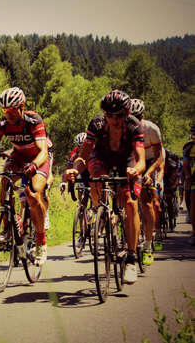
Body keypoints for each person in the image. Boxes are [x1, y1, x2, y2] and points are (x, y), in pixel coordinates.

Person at [64, 90, 145, 284]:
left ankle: (132, 258)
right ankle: (101, 210)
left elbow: (141, 160)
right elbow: (83, 155)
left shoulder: (134, 126)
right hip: (102, 158)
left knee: (130, 202)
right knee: (96, 176)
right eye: (109, 115)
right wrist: (74, 170)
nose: (113, 119)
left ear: (126, 114)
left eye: (118, 116)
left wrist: (136, 171)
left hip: (126, 159)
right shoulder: (97, 124)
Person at [0, 87, 50, 266]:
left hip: (38, 157)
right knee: (4, 181)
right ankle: (7, 227)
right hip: (18, 156)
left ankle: (41, 242)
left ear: (21, 106)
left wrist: (34, 165)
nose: (8, 114)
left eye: (11, 110)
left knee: (33, 194)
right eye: (5, 111)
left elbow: (43, 152)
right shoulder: (2, 124)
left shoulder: (33, 121)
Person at [129, 98, 164, 263]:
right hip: (133, 160)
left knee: (149, 203)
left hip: (150, 163)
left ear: (143, 115)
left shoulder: (152, 129)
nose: (135, 120)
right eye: (131, 116)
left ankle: (149, 244)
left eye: (138, 116)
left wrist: (149, 173)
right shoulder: (126, 127)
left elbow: (159, 157)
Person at [182, 123, 195, 245]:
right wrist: (188, 177)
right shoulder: (189, 147)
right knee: (192, 201)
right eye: (193, 134)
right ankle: (194, 232)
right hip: (194, 176)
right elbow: (185, 165)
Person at [163, 148, 181, 232]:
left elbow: (175, 177)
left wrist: (172, 186)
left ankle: (170, 223)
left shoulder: (172, 165)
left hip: (171, 182)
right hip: (162, 181)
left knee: (169, 200)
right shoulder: (159, 163)